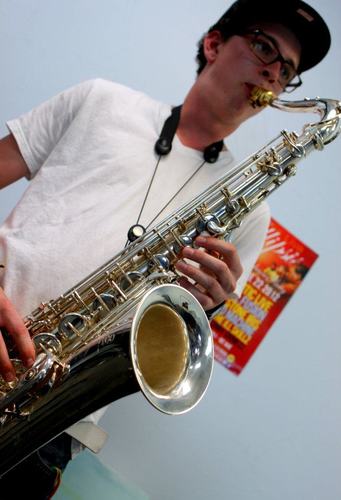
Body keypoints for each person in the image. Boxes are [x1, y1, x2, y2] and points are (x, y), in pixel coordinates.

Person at [0, 0, 331, 497]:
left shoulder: (252, 212)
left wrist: (208, 308)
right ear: (214, 44)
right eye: (264, 46)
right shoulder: (101, 100)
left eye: (287, 71)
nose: (273, 72)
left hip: (47, 427)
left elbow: (169, 343)